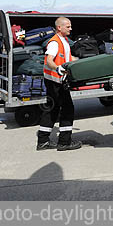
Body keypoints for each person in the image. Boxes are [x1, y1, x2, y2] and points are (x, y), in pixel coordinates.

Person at [37, 17, 82, 151]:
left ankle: (43, 141)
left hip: (55, 81)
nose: (70, 29)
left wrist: (82, 61)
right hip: (55, 81)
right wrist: (57, 68)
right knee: (68, 109)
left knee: (52, 109)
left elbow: (67, 58)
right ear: (59, 28)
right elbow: (49, 60)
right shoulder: (54, 42)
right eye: (68, 26)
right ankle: (64, 142)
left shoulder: (64, 41)